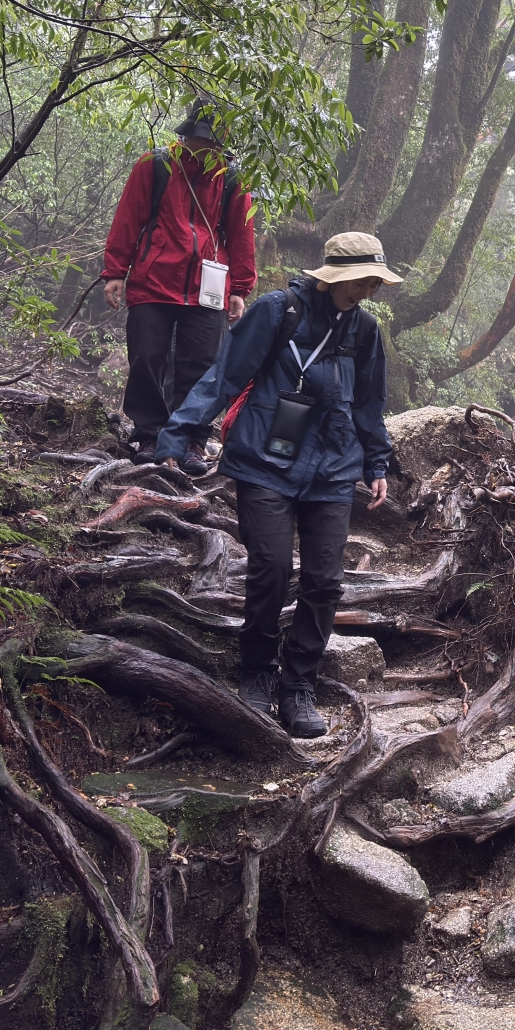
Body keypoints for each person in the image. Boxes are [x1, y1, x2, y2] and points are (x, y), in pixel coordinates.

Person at [152, 232, 402, 738]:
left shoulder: (366, 331)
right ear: (336, 275)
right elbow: (223, 375)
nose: (369, 290)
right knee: (268, 568)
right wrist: (179, 433)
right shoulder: (277, 310)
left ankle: (298, 686)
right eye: (363, 281)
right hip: (266, 459)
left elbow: (369, 405)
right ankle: (258, 672)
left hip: (332, 469)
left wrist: (377, 462)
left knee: (325, 581)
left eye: (375, 282)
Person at [100, 104, 255, 465]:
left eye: (215, 143)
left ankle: (190, 441)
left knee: (200, 365)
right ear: (187, 135)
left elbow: (240, 235)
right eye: (203, 140)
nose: (208, 149)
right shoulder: (154, 165)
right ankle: (151, 436)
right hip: (153, 279)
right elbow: (128, 218)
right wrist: (114, 272)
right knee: (146, 358)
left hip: (208, 286)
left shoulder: (231, 178)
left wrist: (239, 289)